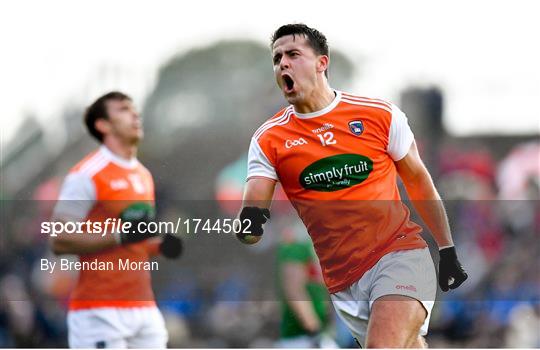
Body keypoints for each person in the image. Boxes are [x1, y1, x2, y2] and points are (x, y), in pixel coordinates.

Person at [237, 24, 468, 348]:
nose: (283, 64)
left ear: (322, 63)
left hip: (398, 255)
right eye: (277, 59)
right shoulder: (268, 139)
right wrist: (249, 225)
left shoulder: (379, 115)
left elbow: (420, 184)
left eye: (293, 55)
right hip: (344, 283)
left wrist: (446, 249)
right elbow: (253, 210)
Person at [50, 91, 182, 348]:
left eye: (134, 109)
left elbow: (136, 239)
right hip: (100, 312)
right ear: (103, 125)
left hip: (144, 308)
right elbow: (59, 239)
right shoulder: (86, 174)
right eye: (123, 109)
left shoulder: (143, 175)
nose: (135, 114)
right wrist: (119, 235)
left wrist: (160, 246)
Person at [276, 222, 336, 348]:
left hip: (315, 336)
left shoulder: (317, 247)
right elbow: (294, 290)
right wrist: (313, 330)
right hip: (300, 339)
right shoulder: (296, 246)